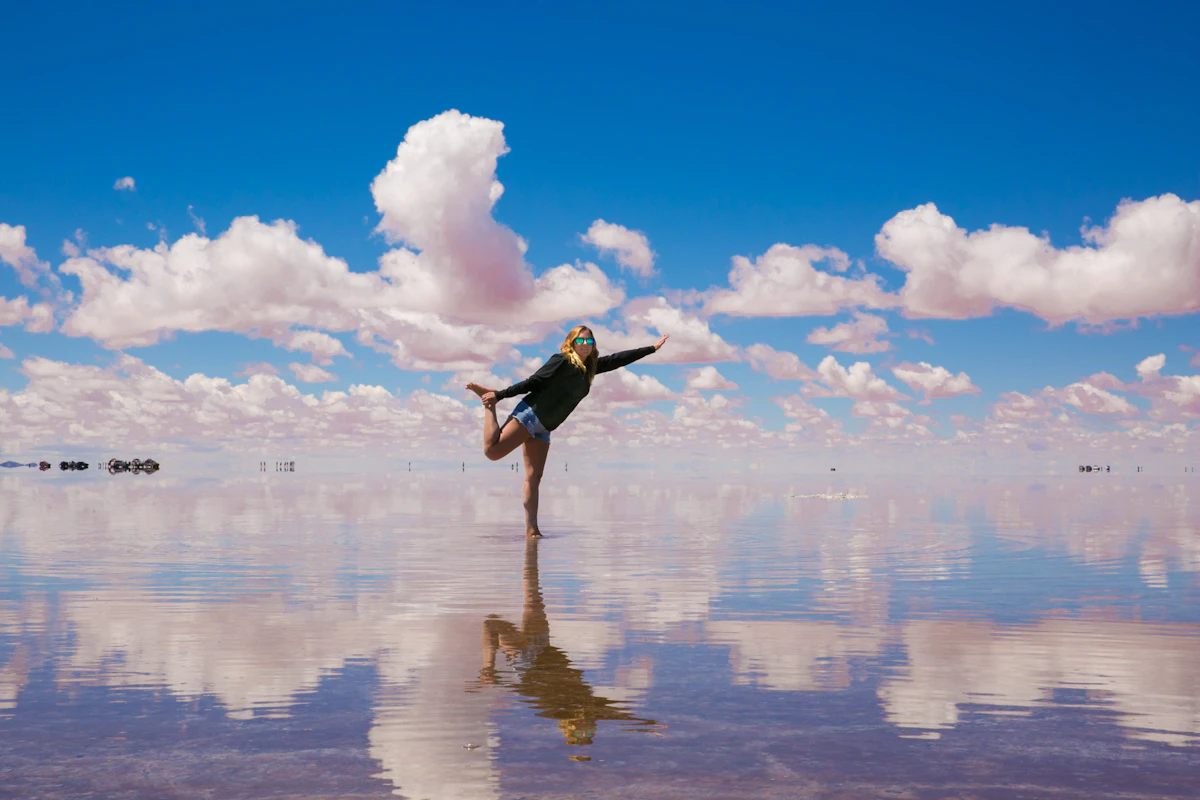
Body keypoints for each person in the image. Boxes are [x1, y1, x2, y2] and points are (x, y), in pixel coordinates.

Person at [467, 325, 668, 537]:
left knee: (534, 478)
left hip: (545, 428)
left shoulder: (589, 368)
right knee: (492, 452)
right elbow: (533, 382)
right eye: (580, 341)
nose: (585, 345)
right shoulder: (561, 360)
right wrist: (499, 396)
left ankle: (532, 530)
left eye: (589, 342)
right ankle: (489, 405)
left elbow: (619, 359)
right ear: (571, 342)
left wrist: (652, 349)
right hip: (529, 415)